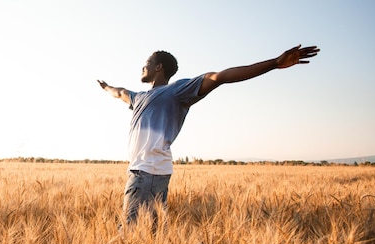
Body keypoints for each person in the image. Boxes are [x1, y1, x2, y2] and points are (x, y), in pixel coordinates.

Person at [97, 44, 320, 232]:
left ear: (158, 67)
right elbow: (119, 92)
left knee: (130, 231)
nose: (142, 66)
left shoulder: (176, 91)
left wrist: (274, 63)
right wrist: (106, 86)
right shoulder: (139, 98)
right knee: (151, 233)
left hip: (147, 172)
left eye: (146, 62)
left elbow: (219, 77)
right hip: (151, 172)